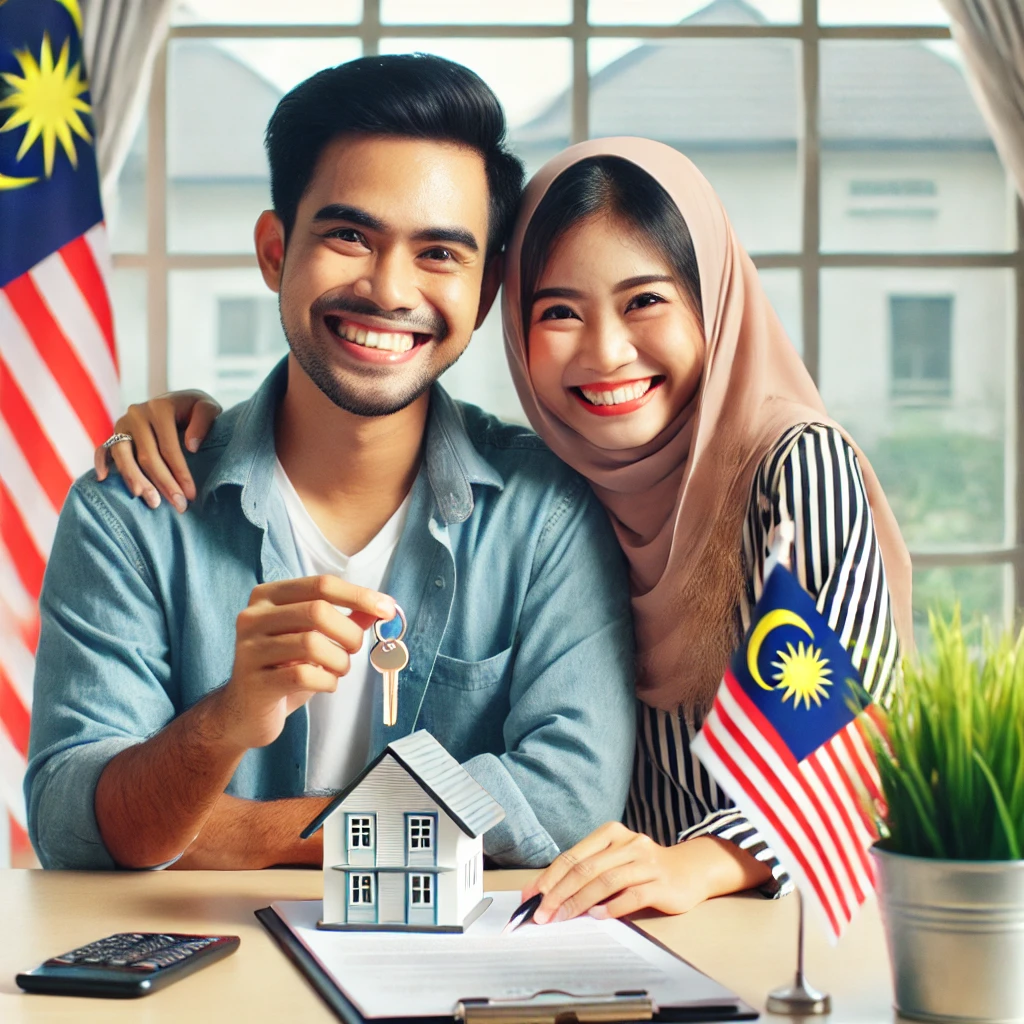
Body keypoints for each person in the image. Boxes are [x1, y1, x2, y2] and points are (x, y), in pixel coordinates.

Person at [101, 139, 912, 916]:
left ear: (717, 303)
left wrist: (691, 865)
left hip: (778, 931)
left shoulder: (792, 467)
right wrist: (205, 424)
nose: (606, 353)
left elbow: (840, 743)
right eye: (560, 311)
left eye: (646, 301)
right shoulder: (578, 483)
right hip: (602, 924)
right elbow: (81, 805)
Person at [24, 56, 639, 872]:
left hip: (452, 982)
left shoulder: (546, 510)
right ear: (276, 251)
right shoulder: (133, 508)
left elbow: (566, 796)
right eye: (349, 235)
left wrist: (233, 833)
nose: (388, 290)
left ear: (486, 292)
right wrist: (226, 720)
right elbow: (74, 817)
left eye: (439, 254)